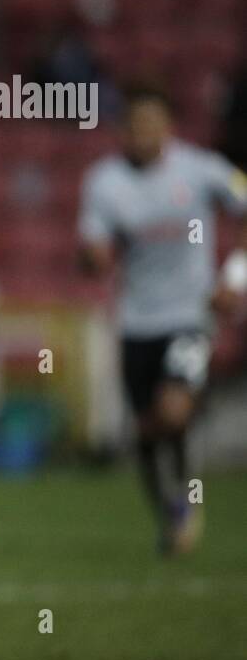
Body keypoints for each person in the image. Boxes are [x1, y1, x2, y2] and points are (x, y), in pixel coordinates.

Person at [79, 84, 247, 555]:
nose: (141, 133)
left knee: (173, 410)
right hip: (135, 322)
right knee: (147, 431)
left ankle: (187, 500)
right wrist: (93, 257)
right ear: (122, 130)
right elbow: (91, 247)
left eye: (151, 124)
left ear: (168, 127)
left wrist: (235, 277)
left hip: (191, 317)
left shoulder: (202, 169)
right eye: (133, 125)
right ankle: (172, 510)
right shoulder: (104, 181)